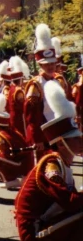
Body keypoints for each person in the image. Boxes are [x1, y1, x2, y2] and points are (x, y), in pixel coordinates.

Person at [14, 80, 83, 241]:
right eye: (75, 138)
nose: (80, 141)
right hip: (34, 232)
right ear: (60, 143)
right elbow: (69, 202)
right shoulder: (51, 164)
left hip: (43, 224)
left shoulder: (62, 163)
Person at [25, 24, 69, 164]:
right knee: (45, 168)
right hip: (44, 135)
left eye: (52, 63)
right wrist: (37, 138)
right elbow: (32, 116)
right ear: (40, 65)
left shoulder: (59, 81)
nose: (50, 66)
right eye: (46, 64)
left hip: (60, 132)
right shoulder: (35, 86)